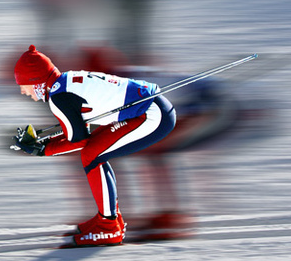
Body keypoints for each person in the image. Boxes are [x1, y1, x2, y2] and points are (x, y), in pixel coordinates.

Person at [11, 45, 176, 246]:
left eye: (22, 84)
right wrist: (44, 143)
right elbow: (79, 131)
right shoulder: (63, 83)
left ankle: (109, 227)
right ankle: (108, 219)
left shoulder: (58, 99)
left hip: (151, 115)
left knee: (92, 154)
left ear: (35, 81)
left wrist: (43, 150)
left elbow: (79, 141)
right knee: (94, 152)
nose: (22, 91)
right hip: (151, 108)